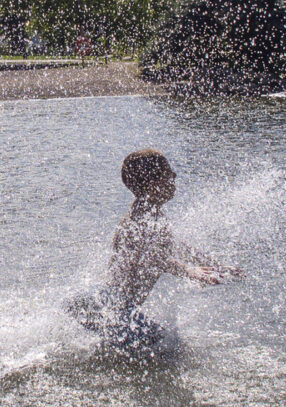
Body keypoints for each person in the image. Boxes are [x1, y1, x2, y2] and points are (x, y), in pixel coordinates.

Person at [67, 148, 239, 357]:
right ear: (154, 184)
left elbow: (177, 248)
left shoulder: (150, 213)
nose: (174, 177)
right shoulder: (142, 216)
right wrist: (189, 271)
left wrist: (216, 266)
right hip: (109, 303)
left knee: (146, 349)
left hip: (102, 301)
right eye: (169, 173)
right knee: (165, 350)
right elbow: (151, 256)